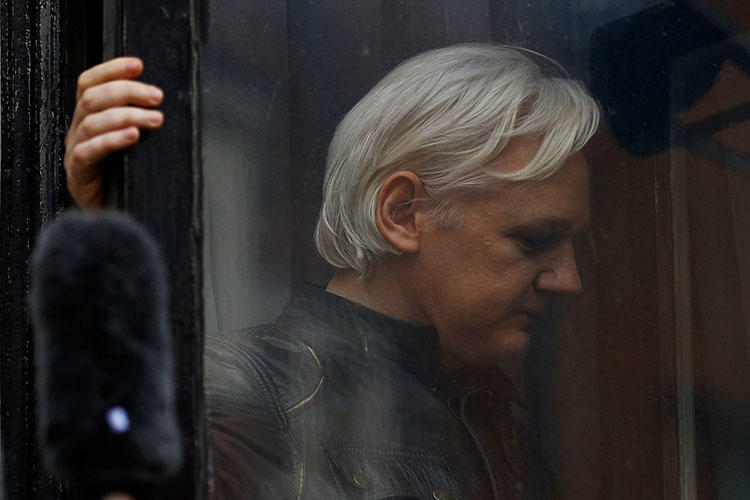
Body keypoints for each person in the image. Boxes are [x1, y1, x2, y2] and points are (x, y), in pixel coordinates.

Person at [66, 44, 599, 499]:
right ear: (403, 214)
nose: (568, 280)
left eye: (570, 245)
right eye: (533, 240)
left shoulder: (492, 410)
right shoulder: (245, 391)